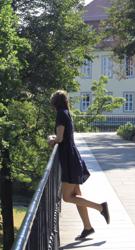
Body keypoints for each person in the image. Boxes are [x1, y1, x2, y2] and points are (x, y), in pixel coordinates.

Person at [48, 90, 110, 239]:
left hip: (69, 160)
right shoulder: (66, 112)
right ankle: (88, 227)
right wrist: (55, 137)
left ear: (54, 102)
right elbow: (63, 136)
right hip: (72, 157)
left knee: (67, 197)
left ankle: (101, 207)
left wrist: (52, 140)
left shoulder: (61, 114)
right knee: (76, 195)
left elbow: (60, 138)